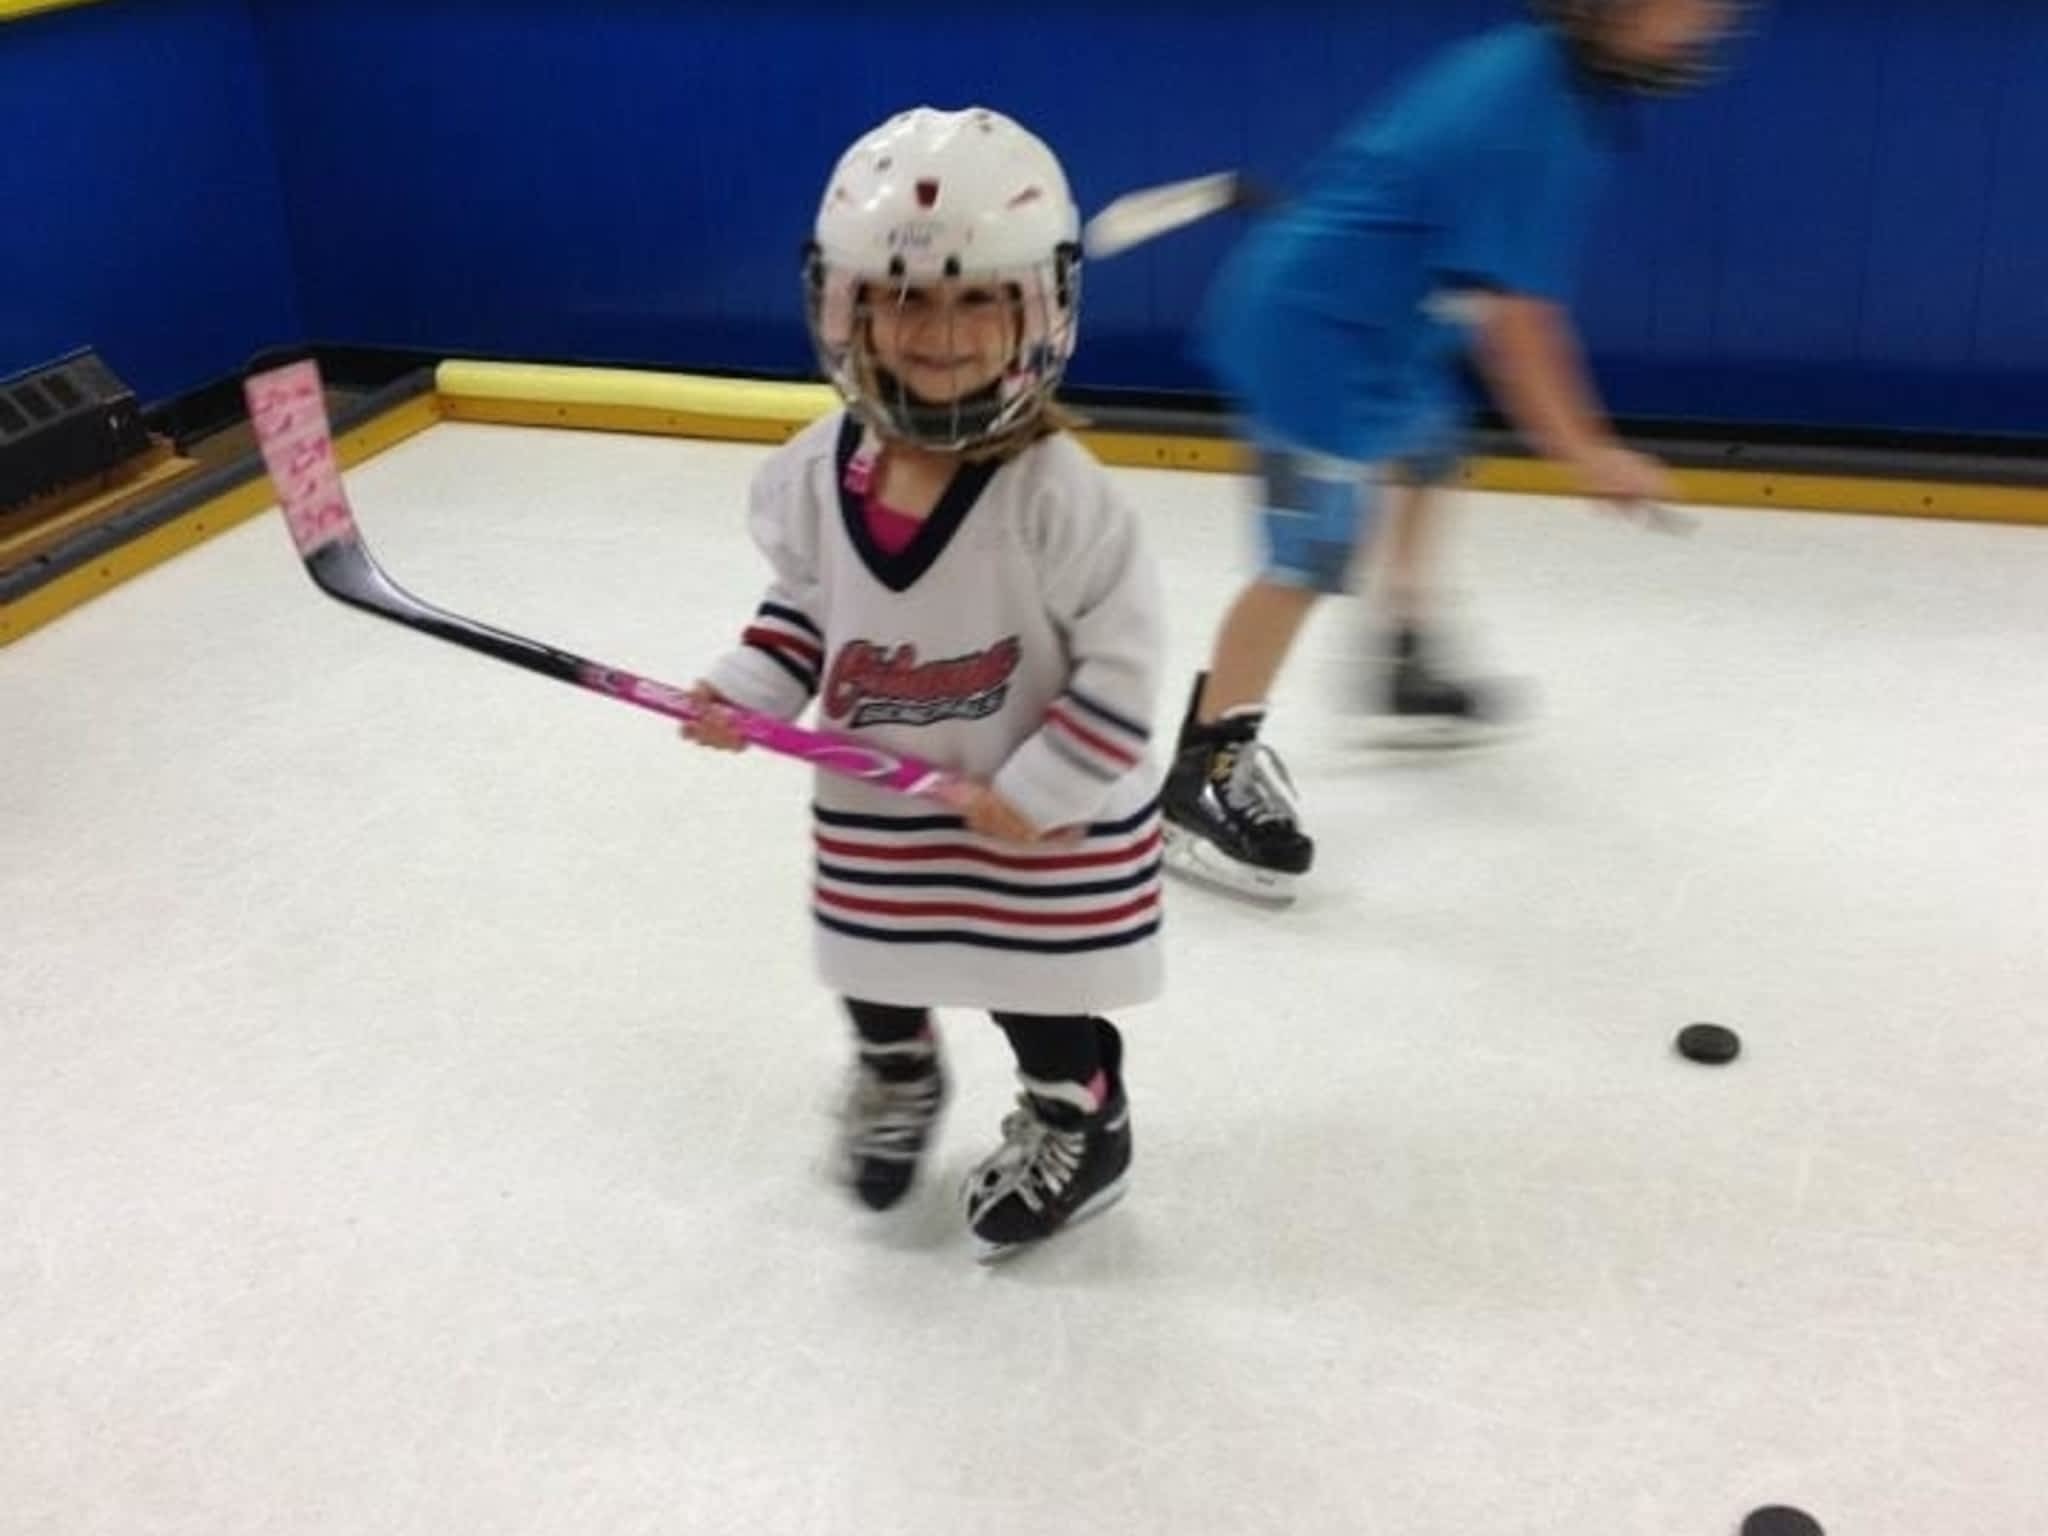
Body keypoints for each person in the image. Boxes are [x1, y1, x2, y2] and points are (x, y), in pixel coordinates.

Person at [683, 107, 1165, 1259]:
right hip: (882, 800)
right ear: (844, 305)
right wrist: (747, 688)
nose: (937, 330)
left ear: (1037, 312)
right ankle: (898, 1074)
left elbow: (1127, 660)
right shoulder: (812, 475)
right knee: (876, 962)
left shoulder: (1062, 496)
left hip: (1041, 820)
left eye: (973, 298)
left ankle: (1077, 1112)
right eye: (902, 297)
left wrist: (1045, 785)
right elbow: (806, 606)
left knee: (1033, 987)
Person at [1163, 0, 1751, 903]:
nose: (1712, 23)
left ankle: (1403, 653)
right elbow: (1519, 324)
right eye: (1694, 8)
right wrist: (1587, 451)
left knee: (1433, 446)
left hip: (1384, 328)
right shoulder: (1526, 115)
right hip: (1310, 341)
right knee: (1310, 557)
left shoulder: (1553, 78)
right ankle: (1205, 770)